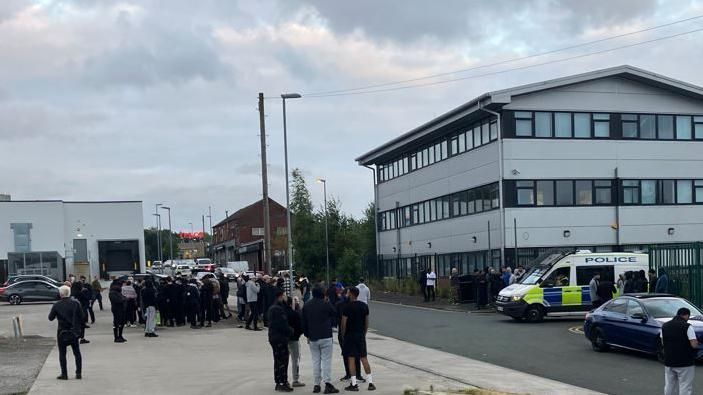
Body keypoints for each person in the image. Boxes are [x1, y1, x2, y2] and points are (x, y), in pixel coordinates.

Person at [301, 287, 339, 394]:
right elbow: (334, 313)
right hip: (326, 335)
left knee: (315, 361)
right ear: (323, 294)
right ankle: (327, 383)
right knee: (326, 360)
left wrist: (307, 334)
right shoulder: (326, 304)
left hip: (313, 337)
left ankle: (316, 385)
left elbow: (303, 322)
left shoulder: (307, 305)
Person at [341, 286, 375, 392]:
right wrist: (363, 333)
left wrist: (343, 335)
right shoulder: (364, 306)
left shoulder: (347, 307)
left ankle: (354, 384)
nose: (347, 294)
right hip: (360, 335)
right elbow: (366, 322)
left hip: (350, 335)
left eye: (348, 293)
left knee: (351, 359)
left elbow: (343, 323)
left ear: (351, 294)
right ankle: (370, 382)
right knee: (363, 358)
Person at [49, 285, 84, 380]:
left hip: (62, 332)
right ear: (69, 293)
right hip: (74, 331)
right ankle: (78, 373)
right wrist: (80, 330)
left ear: (60, 294)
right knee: (77, 353)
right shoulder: (76, 303)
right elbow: (82, 317)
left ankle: (64, 374)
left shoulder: (56, 305)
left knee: (62, 353)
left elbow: (50, 318)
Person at [661, 307, 698, 395]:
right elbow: (694, 344)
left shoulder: (664, 326)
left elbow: (663, 342)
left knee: (670, 384)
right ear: (686, 315)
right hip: (685, 362)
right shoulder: (687, 326)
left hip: (669, 361)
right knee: (685, 385)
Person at [268, 289, 294, 392]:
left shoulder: (271, 308)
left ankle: (278, 381)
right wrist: (291, 331)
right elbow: (283, 325)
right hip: (280, 338)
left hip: (273, 337)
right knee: (283, 360)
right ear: (280, 296)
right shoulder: (278, 309)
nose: (285, 297)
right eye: (284, 295)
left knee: (277, 360)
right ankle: (283, 381)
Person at [335, 288, 362, 383]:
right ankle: (357, 374)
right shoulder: (359, 305)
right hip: (355, 332)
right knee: (356, 354)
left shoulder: (339, 304)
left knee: (346, 354)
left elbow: (338, 319)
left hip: (344, 333)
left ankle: (349, 374)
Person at [285, 296, 305, 388]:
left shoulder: (282, 312)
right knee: (295, 359)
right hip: (294, 338)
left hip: (284, 338)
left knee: (284, 359)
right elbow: (300, 327)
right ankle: (295, 379)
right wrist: (298, 334)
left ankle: (283, 379)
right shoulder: (295, 314)